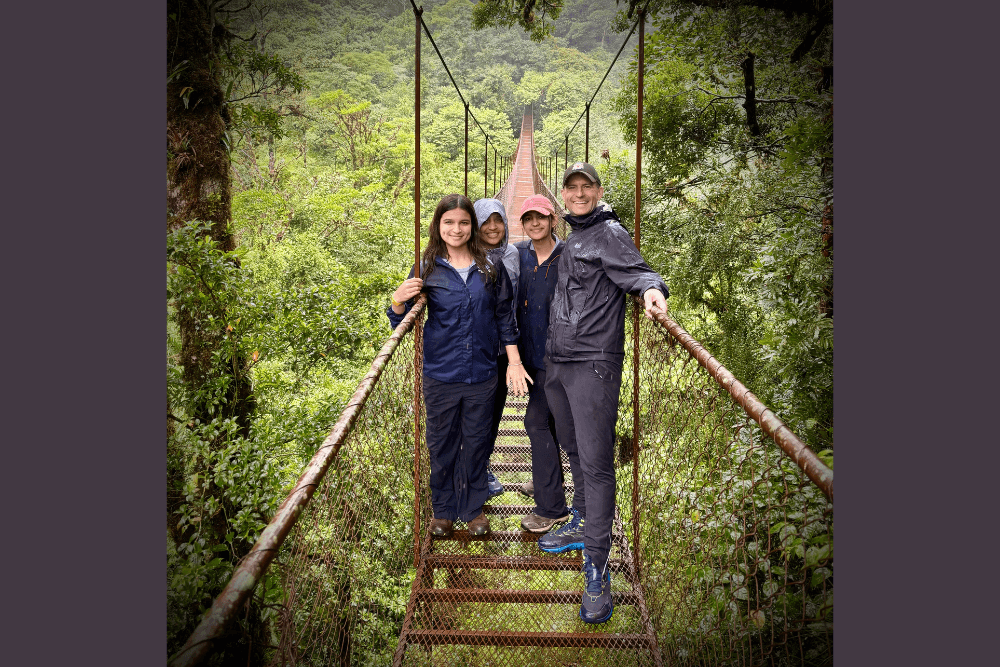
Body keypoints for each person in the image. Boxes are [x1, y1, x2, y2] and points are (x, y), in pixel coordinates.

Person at [536, 163, 668, 625]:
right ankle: (579, 518)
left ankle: (597, 568)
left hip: (593, 363)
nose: (577, 194)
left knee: (595, 462)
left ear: (598, 191)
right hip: (560, 361)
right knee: (571, 446)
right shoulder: (575, 236)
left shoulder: (609, 232)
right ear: (563, 196)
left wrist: (653, 292)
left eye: (585, 187)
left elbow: (641, 273)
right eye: (570, 188)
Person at [388, 194, 531, 539]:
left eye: (464, 222)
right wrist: (396, 301)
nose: (457, 229)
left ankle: (472, 508)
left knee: (478, 440)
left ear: (473, 227)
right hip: (441, 372)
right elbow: (402, 321)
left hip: (482, 372)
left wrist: (513, 361)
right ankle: (444, 509)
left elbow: (503, 318)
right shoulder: (427, 267)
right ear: (439, 226)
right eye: (449, 222)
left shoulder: (490, 268)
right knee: (442, 441)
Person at [511, 195, 571, 535]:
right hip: (527, 355)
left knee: (536, 422)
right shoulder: (517, 254)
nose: (535, 223)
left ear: (553, 221)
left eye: (542, 217)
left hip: (558, 356)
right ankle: (547, 481)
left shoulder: (567, 256)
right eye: (529, 218)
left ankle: (551, 508)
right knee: (544, 421)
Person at [473, 199, 520, 499]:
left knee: (494, 413)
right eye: (485, 221)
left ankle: (482, 467)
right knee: (474, 416)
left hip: (507, 347)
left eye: (498, 220)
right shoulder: (464, 255)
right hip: (476, 348)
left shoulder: (515, 253)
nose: (492, 227)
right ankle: (470, 475)